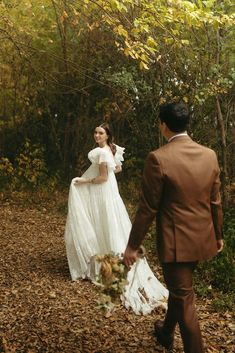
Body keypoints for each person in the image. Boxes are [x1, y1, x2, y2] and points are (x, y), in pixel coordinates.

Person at [123, 102, 223, 352]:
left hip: (176, 244)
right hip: (203, 239)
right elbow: (215, 201)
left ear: (163, 126)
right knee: (181, 292)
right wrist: (218, 235)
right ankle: (166, 333)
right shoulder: (209, 154)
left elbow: (148, 208)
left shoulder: (158, 158)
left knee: (184, 298)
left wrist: (132, 246)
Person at [64, 122, 168, 315]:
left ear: (107, 135)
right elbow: (117, 168)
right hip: (110, 192)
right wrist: (106, 169)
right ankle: (107, 263)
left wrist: (83, 180)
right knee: (108, 224)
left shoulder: (104, 152)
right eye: (95, 132)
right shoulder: (109, 150)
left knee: (107, 224)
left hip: (103, 191)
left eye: (100, 133)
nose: (96, 136)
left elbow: (103, 178)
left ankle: (114, 267)